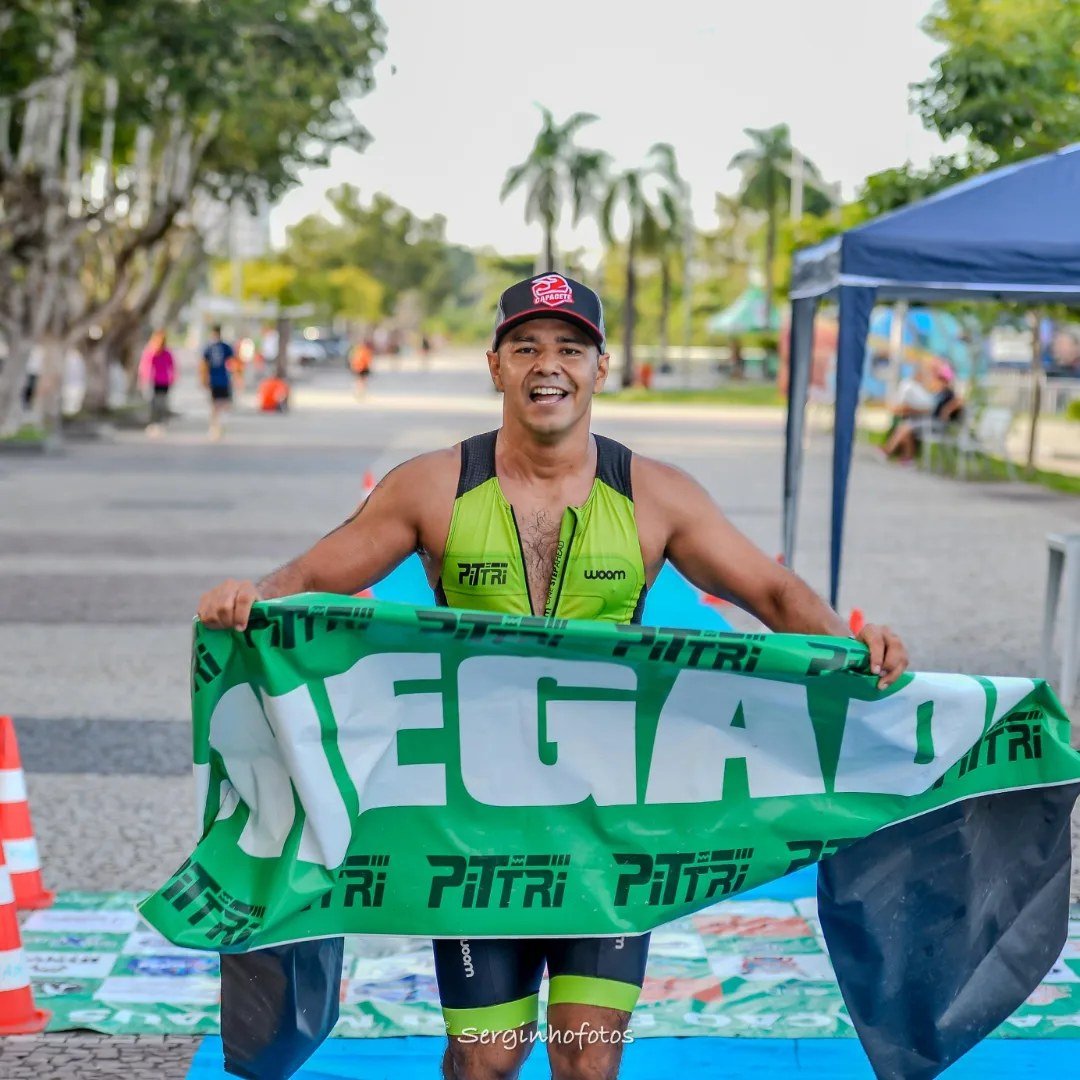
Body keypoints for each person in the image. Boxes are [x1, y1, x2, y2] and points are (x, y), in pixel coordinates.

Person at [197, 273, 909, 1080]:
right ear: (495, 366)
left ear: (600, 368)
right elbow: (318, 572)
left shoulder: (655, 495)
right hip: (472, 821)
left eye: (570, 348)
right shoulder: (433, 485)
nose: (549, 365)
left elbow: (772, 592)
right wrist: (254, 597)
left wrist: (856, 651)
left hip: (607, 819)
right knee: (488, 1059)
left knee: (588, 1059)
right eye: (526, 346)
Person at [881, 362, 963, 463]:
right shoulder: (937, 393)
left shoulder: (948, 393)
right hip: (928, 421)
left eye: (940, 379)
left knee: (907, 427)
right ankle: (907, 458)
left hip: (938, 424)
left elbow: (959, 401)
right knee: (905, 426)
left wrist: (947, 409)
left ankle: (887, 452)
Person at [139, 330, 175, 436]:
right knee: (153, 403)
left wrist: (172, 377)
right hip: (152, 381)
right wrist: (143, 379)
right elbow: (144, 366)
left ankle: (161, 423)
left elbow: (171, 366)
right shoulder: (150, 351)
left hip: (164, 381)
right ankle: (153, 424)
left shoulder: (167, 352)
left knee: (162, 403)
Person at [201, 325, 235, 441]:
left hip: (218, 379)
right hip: (220, 379)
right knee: (221, 404)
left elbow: (203, 365)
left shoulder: (211, 347)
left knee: (217, 405)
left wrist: (204, 379)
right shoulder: (222, 347)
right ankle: (217, 427)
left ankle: (216, 427)